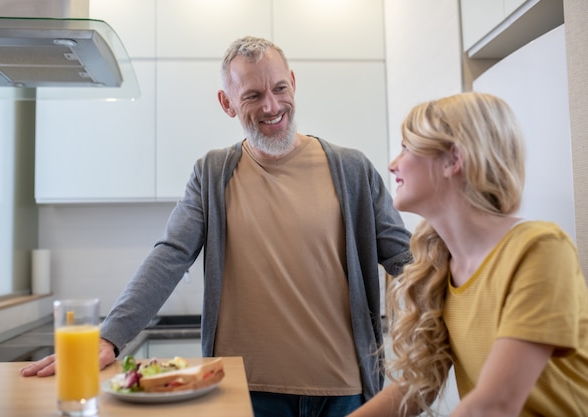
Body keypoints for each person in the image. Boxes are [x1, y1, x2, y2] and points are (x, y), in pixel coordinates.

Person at [21, 35, 413, 417]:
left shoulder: (351, 169)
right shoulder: (212, 173)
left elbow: (406, 259)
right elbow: (170, 255)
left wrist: (464, 298)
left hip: (344, 392)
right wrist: (110, 335)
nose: (272, 106)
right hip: (246, 392)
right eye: (253, 96)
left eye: (279, 88)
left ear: (292, 83)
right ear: (227, 103)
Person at [347, 91, 588, 417]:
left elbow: (495, 405)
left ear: (453, 160)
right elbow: (418, 388)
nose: (393, 165)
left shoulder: (540, 248)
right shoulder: (440, 265)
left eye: (406, 148)